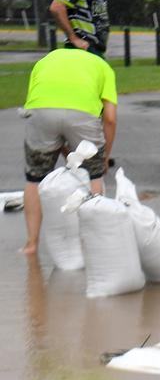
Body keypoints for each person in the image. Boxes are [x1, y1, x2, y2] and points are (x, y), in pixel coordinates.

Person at [19, 48, 117, 254]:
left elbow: (48, 115)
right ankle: (93, 241)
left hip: (41, 110)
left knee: (34, 179)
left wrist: (64, 151)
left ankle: (31, 244)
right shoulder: (102, 66)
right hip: (82, 113)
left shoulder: (45, 60)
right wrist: (103, 158)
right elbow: (110, 117)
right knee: (94, 176)